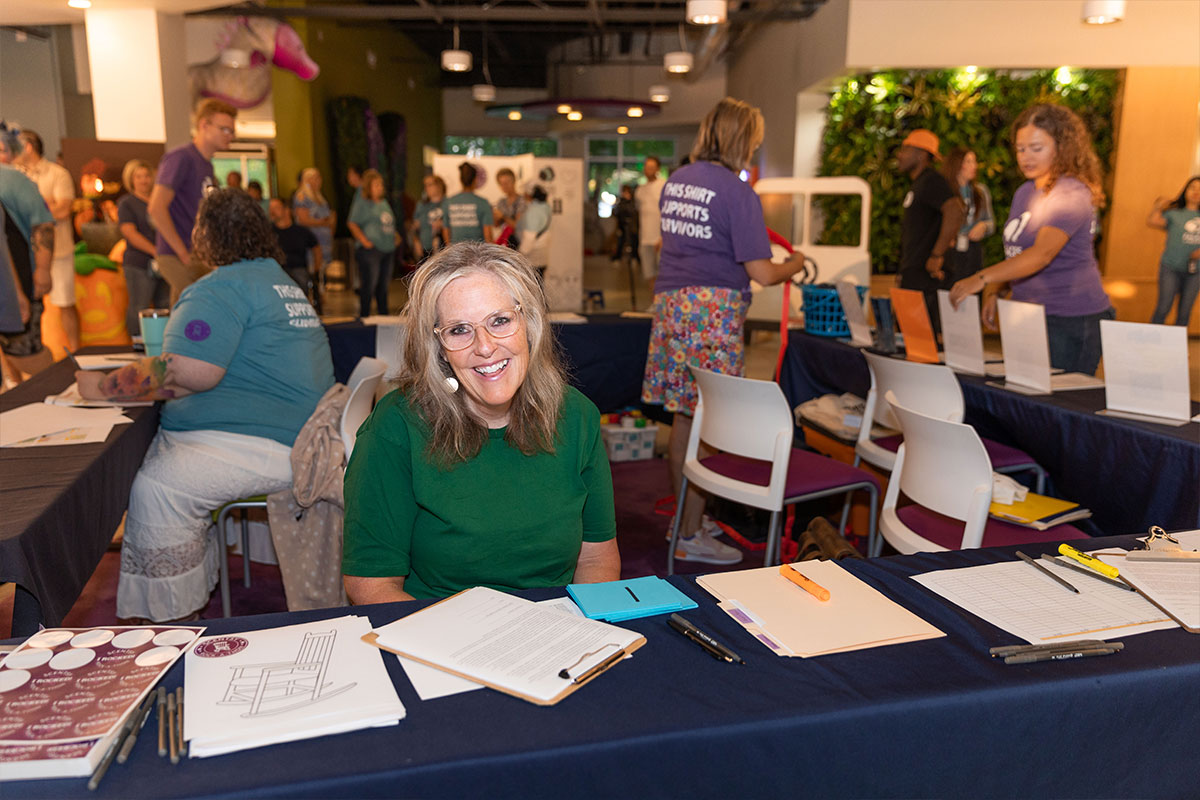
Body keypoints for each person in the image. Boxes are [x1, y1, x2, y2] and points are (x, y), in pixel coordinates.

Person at [75, 188, 334, 622]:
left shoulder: (221, 288)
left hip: (271, 443)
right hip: (295, 433)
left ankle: (171, 620)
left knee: (157, 488)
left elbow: (187, 371)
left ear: (205, 234)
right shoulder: (276, 279)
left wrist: (100, 387)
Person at [342, 242, 620, 602]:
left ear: (529, 323)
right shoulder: (396, 427)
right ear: (438, 346)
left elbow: (597, 559)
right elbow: (371, 583)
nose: (485, 346)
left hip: (555, 630)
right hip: (437, 630)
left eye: (500, 321)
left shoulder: (577, 416)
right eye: (459, 330)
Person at [641, 97, 806, 565]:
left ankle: (686, 519)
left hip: (673, 308)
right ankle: (691, 533)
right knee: (710, 419)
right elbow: (763, 272)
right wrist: (795, 262)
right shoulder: (737, 192)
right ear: (743, 138)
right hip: (712, 311)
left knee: (685, 417)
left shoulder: (679, 181)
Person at [950, 104, 1114, 375]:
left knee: (1057, 409)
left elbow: (1041, 254)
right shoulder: (1025, 191)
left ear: (1062, 147)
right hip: (1029, 314)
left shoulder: (1071, 193)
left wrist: (981, 279)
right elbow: (1017, 253)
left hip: (1070, 318)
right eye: (1020, 149)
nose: (1026, 157)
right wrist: (997, 288)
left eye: (1036, 148)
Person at [148, 98, 237, 305]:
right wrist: (182, 251)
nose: (230, 136)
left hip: (195, 252)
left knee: (183, 313)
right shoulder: (181, 158)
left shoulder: (207, 167)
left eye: (232, 131)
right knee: (198, 308)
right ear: (204, 125)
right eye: (225, 129)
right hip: (177, 253)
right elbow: (156, 208)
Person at [14, 129, 80, 351]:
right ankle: (33, 356)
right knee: (28, 308)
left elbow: (63, 210)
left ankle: (76, 350)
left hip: (59, 252)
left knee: (65, 303)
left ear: (28, 146)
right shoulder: (14, 175)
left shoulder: (57, 174)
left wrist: (35, 209)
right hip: (24, 253)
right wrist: (46, 204)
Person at [896, 129, 963, 333]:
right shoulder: (919, 183)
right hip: (913, 274)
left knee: (920, 340)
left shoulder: (931, 180)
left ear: (922, 154)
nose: (899, 154)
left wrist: (937, 254)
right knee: (907, 336)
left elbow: (955, 210)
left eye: (906, 149)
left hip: (925, 278)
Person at [0, 160, 55, 380]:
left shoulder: (13, 179)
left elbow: (43, 225)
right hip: (10, 285)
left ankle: (58, 387)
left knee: (25, 351)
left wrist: (42, 269)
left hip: (15, 281)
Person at [117, 159, 169, 337]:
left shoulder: (160, 201)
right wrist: (155, 250)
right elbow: (130, 233)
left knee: (165, 304)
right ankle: (137, 343)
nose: (143, 180)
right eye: (138, 176)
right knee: (140, 305)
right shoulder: (127, 203)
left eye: (146, 176)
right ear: (131, 180)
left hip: (164, 262)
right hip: (139, 263)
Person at [1147, 176, 1200, 326]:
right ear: (1185, 190)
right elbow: (1152, 221)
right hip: (1170, 268)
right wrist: (1158, 206)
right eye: (1193, 187)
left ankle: (1176, 349)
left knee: (1184, 312)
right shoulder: (1174, 212)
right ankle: (1151, 344)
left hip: (1195, 273)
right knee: (1163, 308)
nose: (1196, 192)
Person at [347, 168, 398, 317]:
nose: (380, 188)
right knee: (369, 285)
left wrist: (394, 236)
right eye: (376, 185)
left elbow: (386, 221)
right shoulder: (362, 203)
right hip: (371, 250)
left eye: (381, 184)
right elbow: (352, 223)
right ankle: (365, 316)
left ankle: (383, 316)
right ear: (368, 187)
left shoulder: (383, 202)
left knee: (383, 286)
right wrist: (364, 240)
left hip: (387, 248)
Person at [941, 147, 995, 282]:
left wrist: (983, 226)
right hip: (948, 252)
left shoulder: (981, 191)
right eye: (968, 162)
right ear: (956, 164)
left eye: (974, 162)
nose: (974, 166)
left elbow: (992, 223)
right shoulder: (944, 191)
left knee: (972, 292)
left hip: (972, 253)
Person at [268, 197, 323, 302]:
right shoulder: (267, 232)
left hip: (298, 269)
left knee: (300, 280)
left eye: (276, 208)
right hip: (276, 270)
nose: (272, 211)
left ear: (286, 210)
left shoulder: (301, 231)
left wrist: (316, 270)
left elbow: (316, 248)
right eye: (270, 208)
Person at [293, 167, 335, 266]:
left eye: (319, 177)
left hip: (326, 244)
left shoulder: (320, 197)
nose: (319, 180)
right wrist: (323, 222)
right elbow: (302, 220)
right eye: (315, 178)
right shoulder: (301, 197)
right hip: (312, 244)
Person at [444, 162, 493, 244]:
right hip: (477, 253)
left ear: (460, 179)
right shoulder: (483, 203)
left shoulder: (449, 202)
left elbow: (446, 232)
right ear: (475, 180)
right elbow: (488, 236)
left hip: (455, 253)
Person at [636, 156, 666, 282]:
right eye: (647, 167)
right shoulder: (639, 190)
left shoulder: (664, 185)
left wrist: (664, 236)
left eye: (652, 167)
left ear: (657, 169)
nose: (649, 170)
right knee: (649, 274)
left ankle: (662, 302)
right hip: (645, 239)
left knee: (663, 274)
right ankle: (654, 301)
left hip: (660, 239)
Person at [411, 173, 447, 261]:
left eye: (430, 185)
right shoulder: (421, 205)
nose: (427, 188)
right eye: (425, 185)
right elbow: (415, 227)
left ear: (439, 186)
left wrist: (442, 224)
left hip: (443, 249)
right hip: (425, 249)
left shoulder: (447, 204)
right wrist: (416, 242)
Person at [492, 167, 527, 247]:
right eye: (501, 183)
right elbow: (496, 225)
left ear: (514, 181)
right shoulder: (501, 202)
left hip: (521, 244)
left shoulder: (522, 201)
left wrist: (503, 216)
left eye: (507, 182)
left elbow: (517, 225)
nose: (505, 186)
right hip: (507, 244)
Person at [613, 183, 639, 266]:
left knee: (634, 242)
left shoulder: (633, 203)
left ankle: (635, 257)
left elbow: (635, 213)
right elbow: (616, 213)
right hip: (622, 226)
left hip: (632, 227)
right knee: (621, 242)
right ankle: (618, 258)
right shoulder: (621, 203)